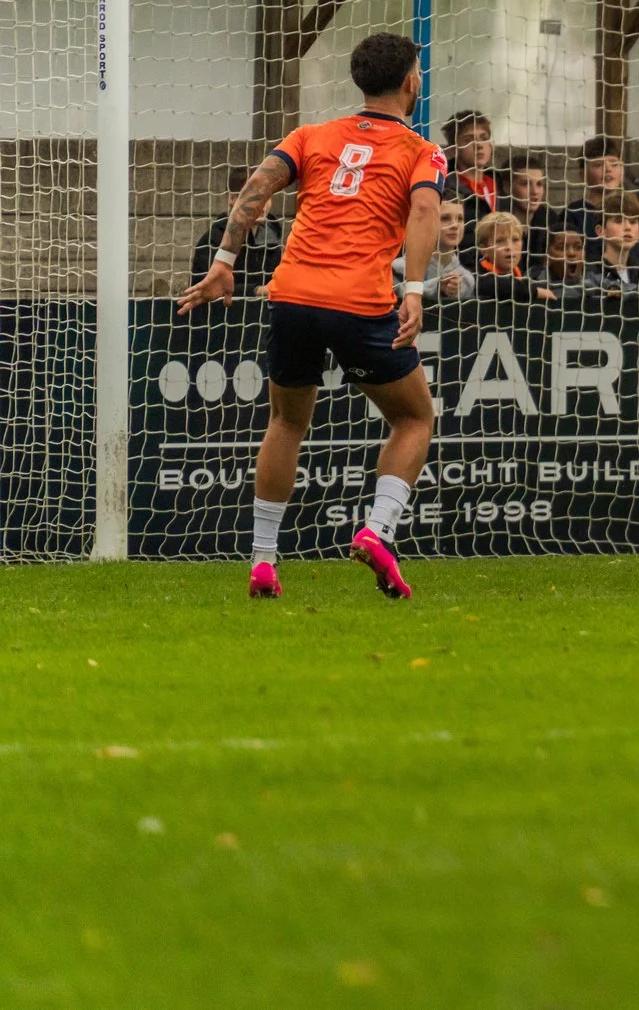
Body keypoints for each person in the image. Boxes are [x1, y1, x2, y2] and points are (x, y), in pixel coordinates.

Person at [175, 32, 445, 602]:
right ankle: (376, 531)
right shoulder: (421, 151)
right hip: (358, 301)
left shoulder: (312, 135)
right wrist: (415, 290)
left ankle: (264, 562)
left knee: (287, 422)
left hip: (293, 295)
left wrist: (225, 262)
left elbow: (257, 186)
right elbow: (424, 208)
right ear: (411, 82)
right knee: (415, 419)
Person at [190, 168, 287, 295]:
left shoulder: (273, 240)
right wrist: (256, 290)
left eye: (267, 196)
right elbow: (206, 289)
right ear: (232, 198)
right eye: (253, 196)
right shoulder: (212, 241)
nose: (262, 203)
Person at [560, 136, 629, 249]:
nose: (608, 169)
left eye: (614, 164)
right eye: (598, 165)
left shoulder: (632, 210)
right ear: (583, 175)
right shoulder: (573, 213)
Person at [581, 195, 639, 297]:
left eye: (633, 222)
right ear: (600, 231)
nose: (628, 227)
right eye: (618, 221)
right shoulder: (590, 271)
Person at [469, 211, 542, 301]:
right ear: (485, 250)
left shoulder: (523, 277)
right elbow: (496, 286)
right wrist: (535, 292)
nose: (509, 247)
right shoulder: (477, 276)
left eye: (515, 240)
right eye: (500, 241)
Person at [440, 109, 501, 213]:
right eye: (468, 140)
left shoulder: (499, 185)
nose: (479, 145)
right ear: (454, 150)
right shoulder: (445, 188)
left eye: (484, 138)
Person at [416, 194, 474, 302]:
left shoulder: (467, 278)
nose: (454, 225)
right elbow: (401, 290)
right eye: (445, 218)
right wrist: (438, 286)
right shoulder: (399, 268)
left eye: (460, 219)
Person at [500, 156, 555, 267]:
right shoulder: (496, 221)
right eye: (525, 184)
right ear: (507, 187)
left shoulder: (551, 220)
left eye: (539, 184)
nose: (534, 191)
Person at [541, 227, 591, 301]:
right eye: (561, 248)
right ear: (547, 257)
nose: (571, 253)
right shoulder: (533, 280)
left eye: (578, 247)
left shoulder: (594, 279)